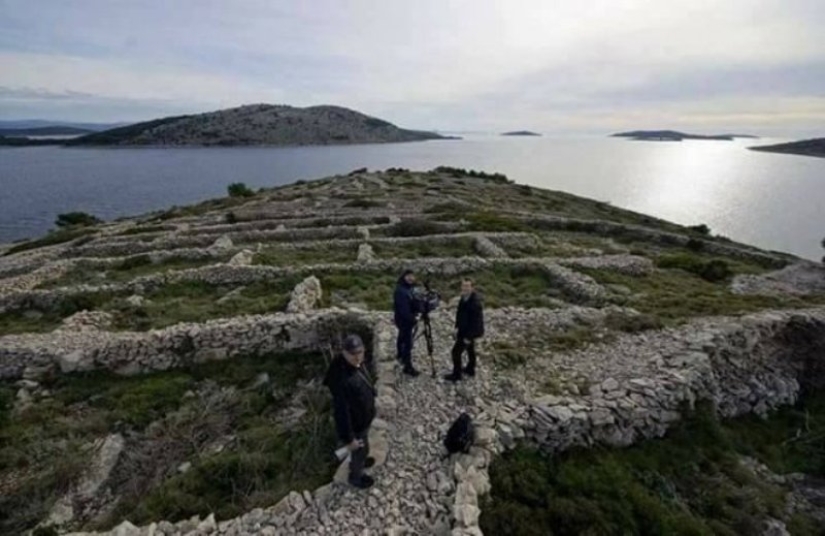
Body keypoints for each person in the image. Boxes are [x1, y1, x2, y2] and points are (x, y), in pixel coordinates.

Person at [322, 334, 377, 489]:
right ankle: (356, 476)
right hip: (356, 425)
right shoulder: (342, 380)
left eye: (360, 352)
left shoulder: (352, 364)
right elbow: (341, 413)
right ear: (344, 353)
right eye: (353, 354)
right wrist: (349, 439)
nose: (357, 357)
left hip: (362, 418)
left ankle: (360, 460)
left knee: (364, 446)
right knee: (359, 448)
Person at [444, 279, 484, 382]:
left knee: (456, 352)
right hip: (463, 329)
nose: (465, 288)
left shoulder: (475, 303)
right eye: (463, 286)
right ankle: (470, 369)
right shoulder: (463, 298)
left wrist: (468, 337)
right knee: (470, 349)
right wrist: (456, 327)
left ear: (472, 288)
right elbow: (460, 314)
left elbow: (476, 322)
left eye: (467, 286)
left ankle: (456, 375)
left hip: (469, 332)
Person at [393, 269, 420, 377]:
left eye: (412, 276)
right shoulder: (401, 291)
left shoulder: (408, 288)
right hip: (404, 320)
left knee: (402, 336)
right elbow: (404, 310)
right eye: (408, 276)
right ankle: (407, 367)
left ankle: (400, 354)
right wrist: (413, 319)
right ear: (404, 277)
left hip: (402, 320)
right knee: (408, 342)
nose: (411, 278)